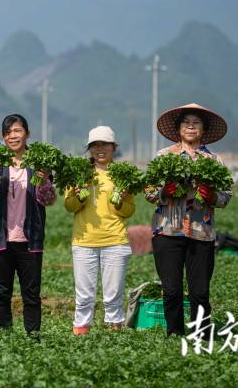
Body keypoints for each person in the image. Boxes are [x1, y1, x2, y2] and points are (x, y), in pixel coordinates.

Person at [146, 103, 231, 336]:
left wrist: (212, 196)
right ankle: (174, 334)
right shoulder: (163, 157)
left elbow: (226, 197)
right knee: (171, 289)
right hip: (167, 231)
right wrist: (165, 191)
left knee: (200, 291)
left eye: (196, 123)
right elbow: (150, 192)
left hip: (201, 232)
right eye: (186, 122)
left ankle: (201, 335)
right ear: (178, 128)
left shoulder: (214, 160)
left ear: (203, 130)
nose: (191, 127)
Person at [0, 114, 56, 336]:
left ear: (27, 133)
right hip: (0, 237)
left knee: (31, 293)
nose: (13, 136)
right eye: (8, 132)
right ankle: (4, 336)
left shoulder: (39, 162)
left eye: (17, 131)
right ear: (3, 137)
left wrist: (45, 179)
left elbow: (48, 200)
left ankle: (33, 337)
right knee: (1, 292)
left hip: (30, 238)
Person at [64, 126, 135, 335]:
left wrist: (121, 202)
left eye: (104, 144)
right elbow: (69, 205)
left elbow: (130, 210)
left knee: (113, 296)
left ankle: (113, 338)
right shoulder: (78, 173)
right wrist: (79, 197)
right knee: (84, 297)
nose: (100, 149)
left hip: (115, 240)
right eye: (95, 145)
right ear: (89, 149)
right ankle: (81, 337)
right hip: (84, 241)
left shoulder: (122, 174)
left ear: (114, 147)